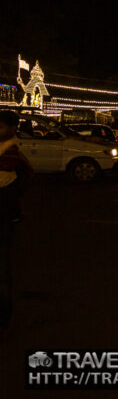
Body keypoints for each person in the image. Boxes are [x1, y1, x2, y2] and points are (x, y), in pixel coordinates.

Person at [0, 110, 33, 330]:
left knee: (2, 263)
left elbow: (10, 170)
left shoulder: (11, 147)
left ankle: (3, 313)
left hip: (3, 204)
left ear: (11, 128)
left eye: (1, 126)